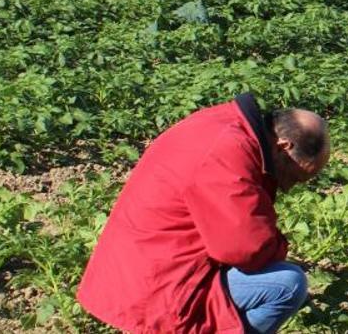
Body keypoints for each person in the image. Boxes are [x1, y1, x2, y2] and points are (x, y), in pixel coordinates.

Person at [77, 94, 331, 334]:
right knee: (287, 284)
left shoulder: (225, 123)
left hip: (137, 265)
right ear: (283, 146)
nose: (289, 186)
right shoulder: (228, 151)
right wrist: (278, 247)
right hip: (156, 286)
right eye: (297, 177)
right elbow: (245, 247)